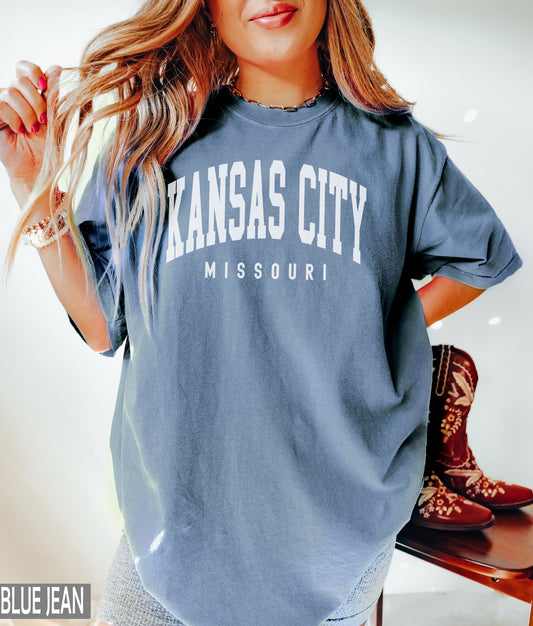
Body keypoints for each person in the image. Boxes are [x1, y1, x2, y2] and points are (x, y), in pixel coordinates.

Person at [0, 0, 522, 624]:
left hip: (336, 550)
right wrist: (34, 185)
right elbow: (100, 325)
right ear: (204, 11)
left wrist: (382, 318)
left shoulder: (394, 148)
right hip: (167, 550)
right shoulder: (153, 143)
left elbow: (480, 257)